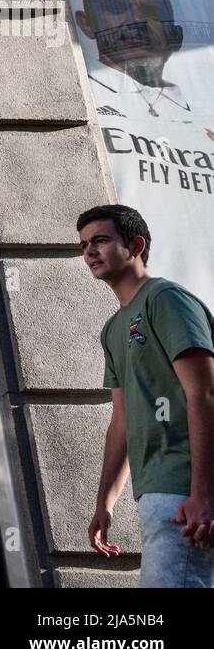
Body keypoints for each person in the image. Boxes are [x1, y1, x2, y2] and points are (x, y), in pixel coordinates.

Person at [80, 204, 214, 587]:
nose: (89, 251)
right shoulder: (112, 329)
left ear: (135, 245)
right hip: (155, 493)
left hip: (187, 491)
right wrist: (105, 503)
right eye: (85, 244)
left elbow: (204, 394)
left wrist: (203, 494)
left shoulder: (166, 299)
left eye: (101, 240)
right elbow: (120, 423)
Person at [76, 0, 196, 120]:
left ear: (175, 36)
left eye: (151, 12)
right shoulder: (78, 95)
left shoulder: (199, 114)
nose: (137, 20)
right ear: (87, 24)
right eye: (116, 8)